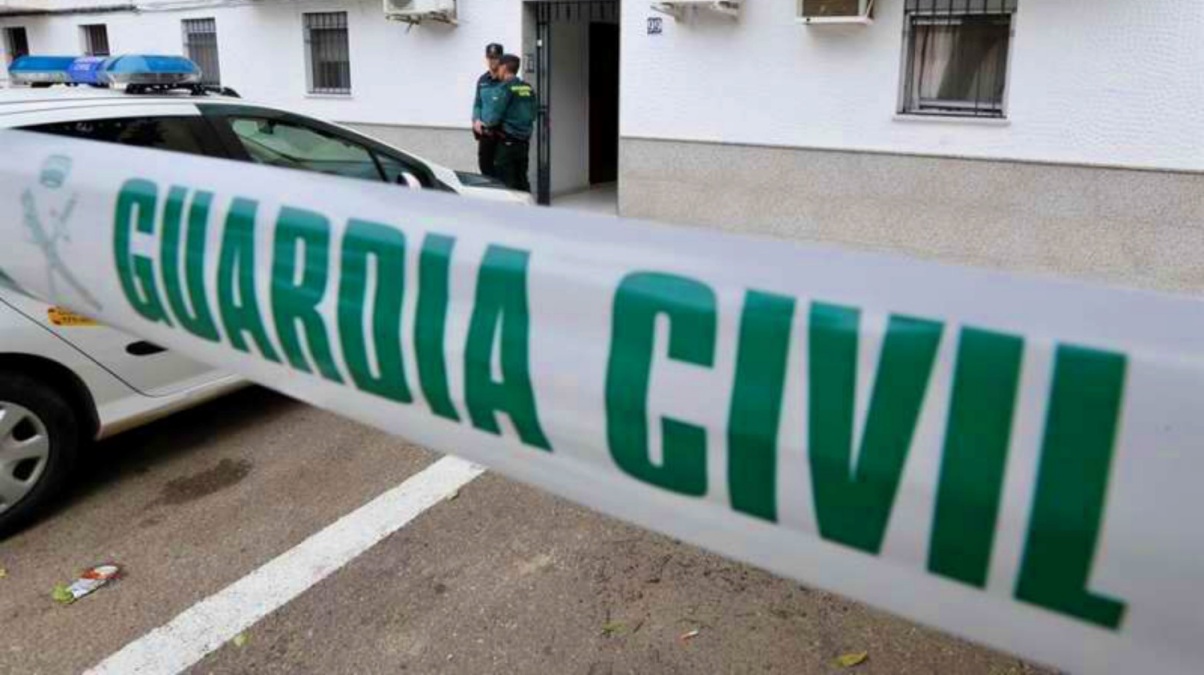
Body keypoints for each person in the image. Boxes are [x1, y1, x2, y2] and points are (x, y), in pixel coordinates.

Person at [480, 54, 537, 192]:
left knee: (507, 182)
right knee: (522, 179)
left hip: (507, 144)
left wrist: (485, 124)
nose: (497, 70)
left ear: (504, 68)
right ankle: (528, 210)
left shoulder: (504, 89)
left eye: (499, 67)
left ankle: (511, 212)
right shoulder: (527, 88)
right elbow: (533, 114)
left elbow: (493, 119)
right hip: (524, 143)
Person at [471, 43, 505, 177]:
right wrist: (476, 120)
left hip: (502, 133)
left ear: (501, 58)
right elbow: (477, 103)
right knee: (485, 167)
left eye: (496, 57)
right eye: (490, 57)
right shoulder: (482, 80)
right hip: (485, 133)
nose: (492, 61)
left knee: (502, 170)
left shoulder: (506, 80)